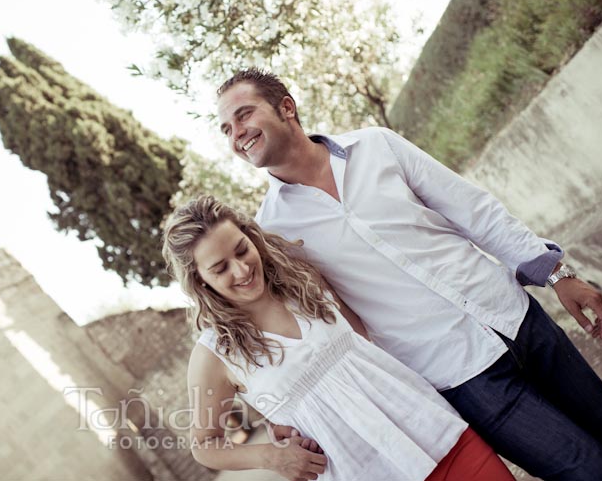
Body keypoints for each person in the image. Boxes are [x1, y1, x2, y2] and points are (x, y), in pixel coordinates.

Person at [214, 67, 602, 481]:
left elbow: (471, 209)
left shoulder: (376, 145)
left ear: (286, 107)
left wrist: (555, 272)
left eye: (244, 115)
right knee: (589, 472)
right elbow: (295, 323)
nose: (237, 133)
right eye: (226, 129)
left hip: (516, 317)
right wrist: (281, 417)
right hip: (461, 376)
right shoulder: (273, 232)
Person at [162, 196, 516, 481]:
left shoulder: (301, 280)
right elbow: (204, 445)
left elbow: (365, 341)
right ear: (200, 281)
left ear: (251, 238)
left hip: (433, 431)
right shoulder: (214, 354)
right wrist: (273, 457)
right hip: (359, 472)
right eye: (220, 268)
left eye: (241, 250)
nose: (241, 270)